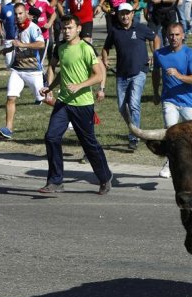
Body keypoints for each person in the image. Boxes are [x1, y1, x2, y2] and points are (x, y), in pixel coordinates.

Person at [38, 14, 113, 194]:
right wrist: (50, 88)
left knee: (88, 143)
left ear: (78, 29)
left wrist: (79, 85)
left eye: (69, 27)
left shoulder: (86, 48)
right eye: (64, 28)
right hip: (63, 102)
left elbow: (98, 75)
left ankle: (105, 177)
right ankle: (55, 181)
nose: (66, 31)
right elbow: (63, 73)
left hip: (83, 104)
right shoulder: (61, 48)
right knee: (51, 137)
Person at [101, 2, 160, 150]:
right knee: (122, 107)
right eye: (122, 14)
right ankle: (133, 129)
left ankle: (134, 137)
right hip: (121, 74)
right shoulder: (115, 31)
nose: (125, 16)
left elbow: (156, 38)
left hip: (139, 71)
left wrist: (155, 54)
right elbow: (105, 48)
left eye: (127, 13)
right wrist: (105, 59)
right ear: (118, 15)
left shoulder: (140, 28)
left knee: (134, 104)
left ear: (132, 14)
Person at [152, 22, 192, 177]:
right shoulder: (159, 54)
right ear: (166, 36)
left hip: (188, 101)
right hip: (169, 100)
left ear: (183, 36)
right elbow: (155, 73)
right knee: (171, 132)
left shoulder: (190, 54)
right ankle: (170, 162)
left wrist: (179, 76)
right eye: (171, 35)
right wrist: (155, 92)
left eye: (177, 35)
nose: (173, 38)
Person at [0, 2, 46, 139]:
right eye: (16, 14)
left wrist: (22, 44)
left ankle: (68, 114)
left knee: (44, 98)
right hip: (17, 70)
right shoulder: (17, 27)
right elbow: (17, 45)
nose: (18, 16)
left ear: (26, 13)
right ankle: (8, 129)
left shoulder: (33, 28)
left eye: (20, 13)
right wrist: (8, 49)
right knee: (10, 97)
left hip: (33, 71)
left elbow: (41, 44)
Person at [0, 0, 19, 67]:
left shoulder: (24, 6)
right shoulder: (5, 8)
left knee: (20, 64)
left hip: (21, 40)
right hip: (9, 39)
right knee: (9, 64)